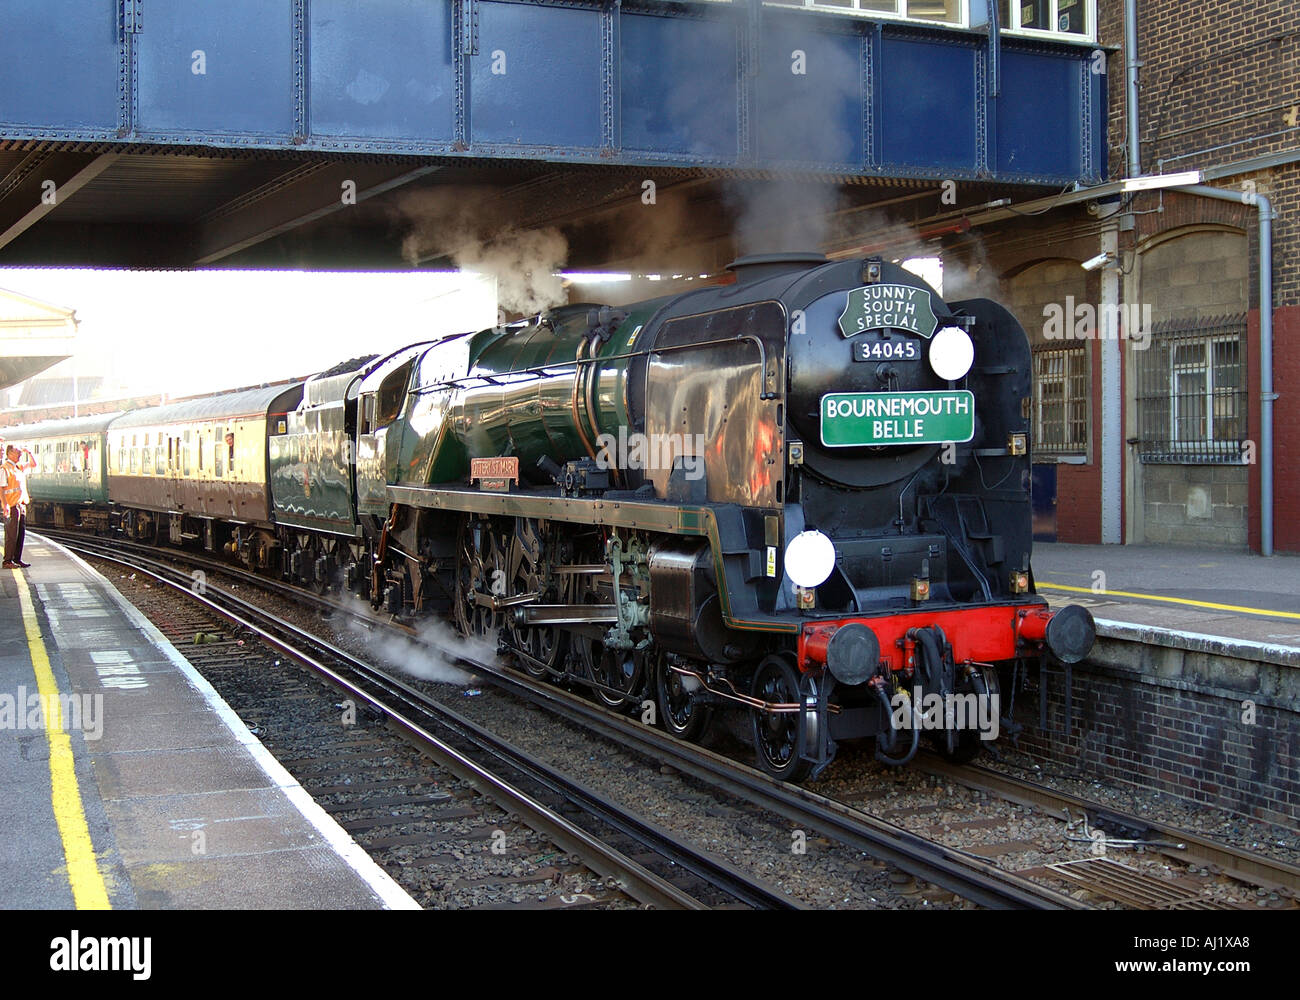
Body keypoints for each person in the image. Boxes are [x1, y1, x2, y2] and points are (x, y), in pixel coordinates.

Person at [1, 444, 36, 569]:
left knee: (20, 533)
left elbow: (33, 465)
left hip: (20, 504)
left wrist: (30, 453)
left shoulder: (18, 467)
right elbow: (1, 488)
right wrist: (4, 505)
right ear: (10, 453)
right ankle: (7, 560)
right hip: (11, 505)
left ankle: (17, 558)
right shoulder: (4, 469)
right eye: (17, 452)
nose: (20, 454)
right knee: (11, 534)